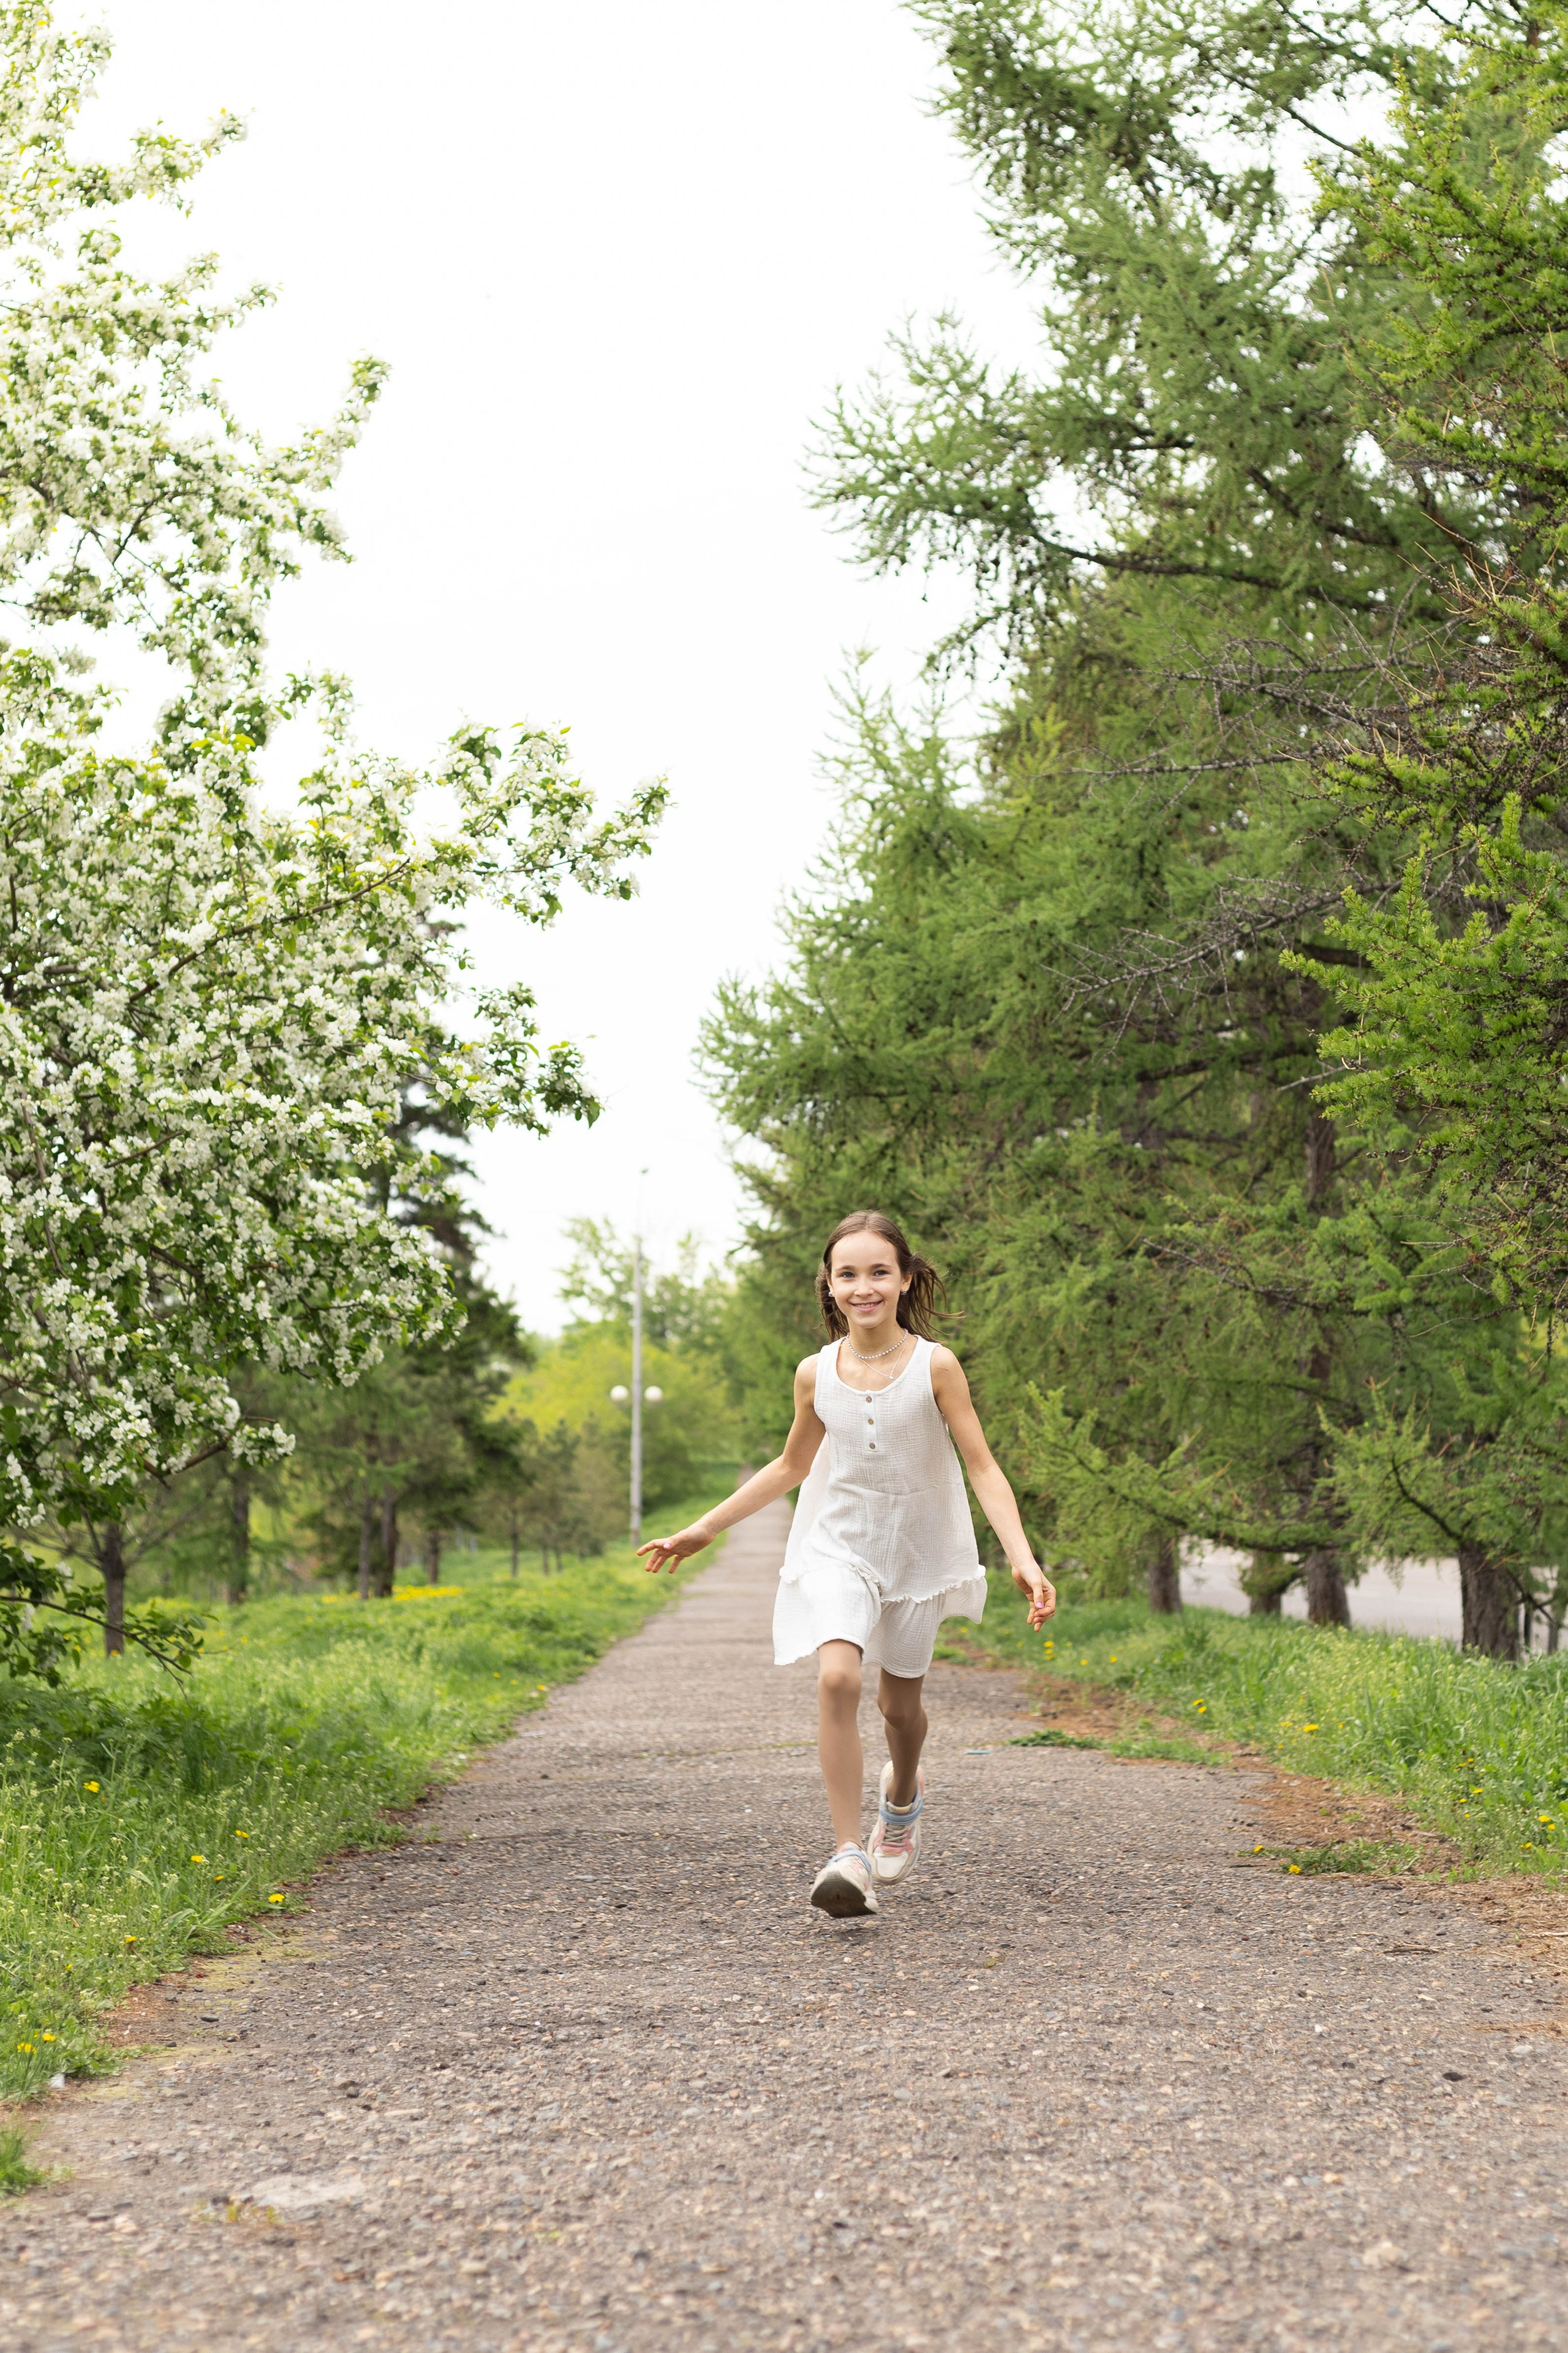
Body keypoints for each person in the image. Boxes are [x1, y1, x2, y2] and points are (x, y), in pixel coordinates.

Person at [638, 1210, 1056, 1917]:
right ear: (828, 1286)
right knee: (837, 1677)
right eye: (848, 1274)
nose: (863, 1287)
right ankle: (846, 1854)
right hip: (840, 1548)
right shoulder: (814, 1374)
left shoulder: (936, 1365)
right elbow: (790, 1464)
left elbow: (982, 1467)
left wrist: (1021, 1557)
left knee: (901, 1709)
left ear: (905, 1279)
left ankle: (901, 1797)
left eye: (878, 1272)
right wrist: (703, 1527)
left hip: (918, 1555)